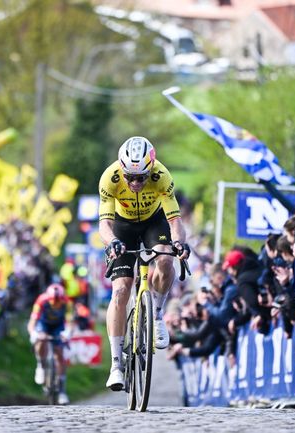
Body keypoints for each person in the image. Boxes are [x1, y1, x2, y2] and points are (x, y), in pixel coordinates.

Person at [98, 136, 190, 391]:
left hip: (153, 221)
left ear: (151, 169)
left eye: (141, 177)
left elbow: (174, 220)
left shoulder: (162, 175)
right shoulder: (109, 178)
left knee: (165, 258)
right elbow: (104, 224)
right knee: (120, 290)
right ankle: (116, 364)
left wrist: (179, 243)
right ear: (122, 170)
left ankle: (157, 315)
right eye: (130, 177)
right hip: (122, 225)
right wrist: (112, 242)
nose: (136, 183)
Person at [27, 283, 71, 404]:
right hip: (44, 324)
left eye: (58, 302)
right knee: (40, 341)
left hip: (59, 326)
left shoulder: (67, 302)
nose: (55, 305)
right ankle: (41, 365)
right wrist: (34, 333)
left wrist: (67, 333)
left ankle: (61, 390)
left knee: (59, 354)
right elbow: (32, 321)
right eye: (53, 302)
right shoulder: (41, 301)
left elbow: (70, 321)